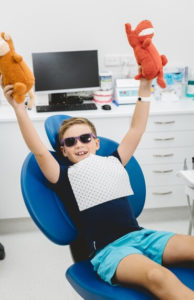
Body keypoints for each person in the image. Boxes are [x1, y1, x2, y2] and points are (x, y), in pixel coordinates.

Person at [2, 71, 194, 300]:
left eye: (85, 138)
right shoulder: (63, 176)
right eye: (70, 142)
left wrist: (145, 87)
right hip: (111, 251)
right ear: (63, 151)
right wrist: (19, 109)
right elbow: (39, 151)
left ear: (96, 142)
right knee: (158, 277)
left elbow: (136, 130)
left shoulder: (113, 161)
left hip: (143, 237)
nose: (79, 144)